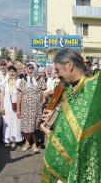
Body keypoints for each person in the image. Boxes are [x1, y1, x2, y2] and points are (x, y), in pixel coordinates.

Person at [41, 49, 101, 183]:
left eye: (58, 70)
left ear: (69, 65)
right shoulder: (66, 88)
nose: (57, 75)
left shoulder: (93, 87)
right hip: (65, 161)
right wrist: (55, 116)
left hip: (86, 157)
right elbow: (72, 120)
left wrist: (52, 136)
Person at [17, 63, 46, 153]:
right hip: (25, 108)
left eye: (32, 69)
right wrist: (18, 109)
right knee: (26, 127)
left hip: (36, 108)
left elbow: (44, 94)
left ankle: (34, 143)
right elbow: (19, 95)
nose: (30, 71)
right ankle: (27, 142)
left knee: (34, 127)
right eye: (28, 69)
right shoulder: (23, 80)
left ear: (35, 70)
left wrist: (43, 104)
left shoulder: (40, 79)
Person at [0, 66, 22, 149]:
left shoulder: (19, 81)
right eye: (10, 71)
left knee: (15, 121)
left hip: (16, 104)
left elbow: (20, 95)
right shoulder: (5, 82)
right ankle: (7, 139)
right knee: (7, 121)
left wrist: (19, 108)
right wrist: (2, 106)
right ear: (8, 72)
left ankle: (14, 140)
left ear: (16, 72)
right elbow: (2, 95)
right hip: (7, 104)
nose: (12, 73)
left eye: (13, 71)